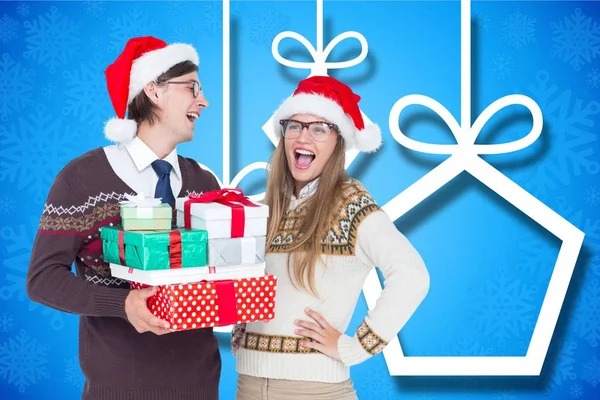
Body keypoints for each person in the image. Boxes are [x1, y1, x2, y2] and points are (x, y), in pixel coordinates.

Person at [26, 36, 221, 399]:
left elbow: (214, 275)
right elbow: (42, 279)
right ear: (154, 91)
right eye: (192, 87)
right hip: (119, 388)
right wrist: (122, 304)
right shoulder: (82, 179)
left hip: (200, 385)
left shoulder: (204, 182)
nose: (203, 101)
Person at [233, 76, 430, 399]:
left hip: (316, 391)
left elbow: (412, 275)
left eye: (319, 128)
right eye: (294, 125)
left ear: (339, 141)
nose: (303, 136)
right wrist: (242, 330)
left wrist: (354, 348)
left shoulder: (349, 204)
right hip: (249, 386)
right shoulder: (269, 206)